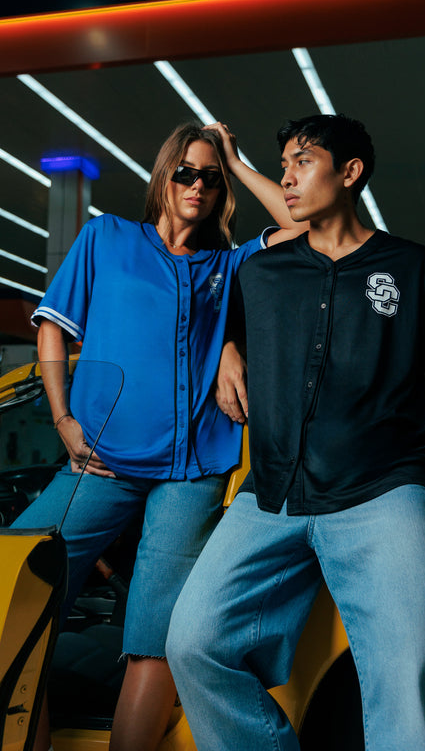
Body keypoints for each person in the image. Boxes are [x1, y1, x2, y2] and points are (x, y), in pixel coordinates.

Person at [166, 113, 425, 751]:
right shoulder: (262, 271)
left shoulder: (412, 269)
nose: (287, 177)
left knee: (403, 686)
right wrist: (226, 348)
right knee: (193, 643)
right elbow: (213, 323)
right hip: (272, 496)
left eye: (302, 162)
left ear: (350, 172)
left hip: (385, 494)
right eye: (283, 165)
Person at [11, 122, 301, 751]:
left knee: (156, 638)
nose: (198, 186)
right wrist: (62, 419)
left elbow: (303, 225)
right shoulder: (107, 237)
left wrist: (235, 161)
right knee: (14, 601)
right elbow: (53, 330)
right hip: (100, 461)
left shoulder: (227, 265)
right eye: (186, 173)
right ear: (164, 176)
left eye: (211, 178)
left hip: (190, 471)